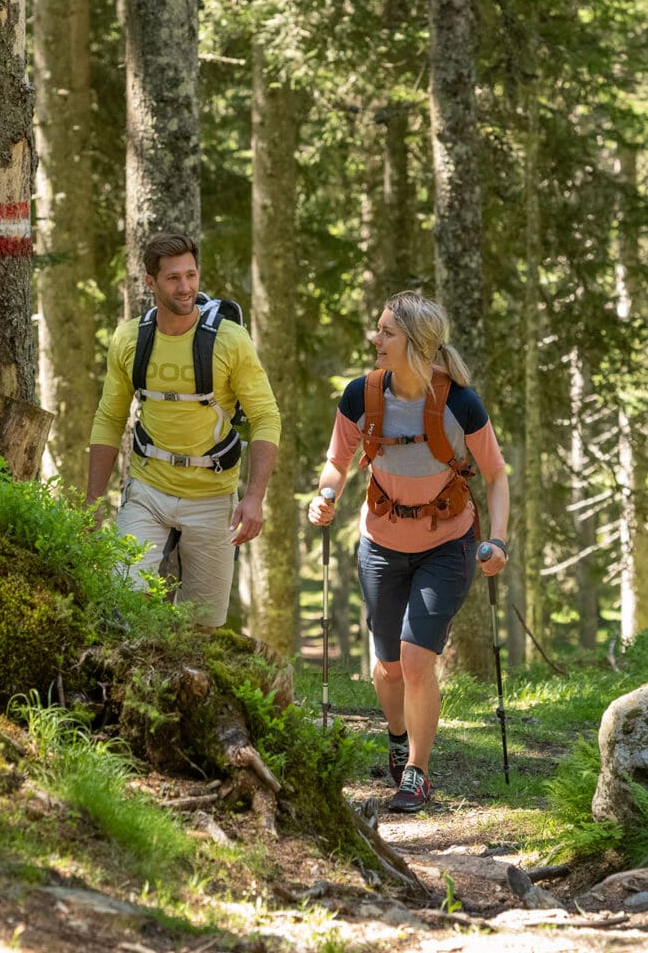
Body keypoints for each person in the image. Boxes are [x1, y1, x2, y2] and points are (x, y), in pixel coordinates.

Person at [308, 291, 509, 813]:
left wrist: (500, 541)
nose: (376, 340)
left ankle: (417, 771)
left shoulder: (459, 404)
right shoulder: (362, 397)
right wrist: (326, 495)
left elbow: (495, 474)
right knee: (388, 668)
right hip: (380, 544)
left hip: (447, 545)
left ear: (416, 345)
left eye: (386, 333)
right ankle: (397, 735)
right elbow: (337, 460)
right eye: (378, 330)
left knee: (418, 660)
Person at [86, 232, 281, 628]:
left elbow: (266, 417)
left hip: (213, 497)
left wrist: (254, 497)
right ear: (150, 282)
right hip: (147, 491)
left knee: (202, 626)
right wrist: (91, 506)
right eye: (173, 278)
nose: (186, 287)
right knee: (122, 600)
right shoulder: (130, 338)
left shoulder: (230, 340)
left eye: (191, 275)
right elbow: (109, 419)